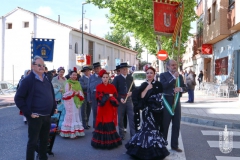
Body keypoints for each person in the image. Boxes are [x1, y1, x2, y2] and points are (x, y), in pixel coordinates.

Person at [14, 56, 57, 160]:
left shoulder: (46, 78)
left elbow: (51, 93)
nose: (42, 67)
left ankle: (43, 158)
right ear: (33, 66)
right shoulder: (28, 80)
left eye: (43, 65)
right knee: (32, 143)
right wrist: (28, 113)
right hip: (35, 117)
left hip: (47, 116)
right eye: (39, 65)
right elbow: (18, 98)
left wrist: (54, 107)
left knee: (44, 141)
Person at [126, 66, 170, 160]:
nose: (149, 75)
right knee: (146, 129)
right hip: (147, 111)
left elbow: (161, 97)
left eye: (151, 73)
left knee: (155, 129)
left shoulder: (158, 84)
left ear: (154, 74)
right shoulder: (143, 84)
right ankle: (143, 152)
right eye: (147, 73)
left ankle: (155, 151)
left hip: (156, 111)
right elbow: (141, 97)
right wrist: (147, 89)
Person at [160, 60, 187, 152]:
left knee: (176, 125)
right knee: (165, 125)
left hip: (176, 103)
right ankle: (163, 145)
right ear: (168, 66)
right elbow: (164, 86)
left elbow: (185, 88)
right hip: (167, 102)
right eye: (172, 65)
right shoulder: (163, 75)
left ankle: (174, 145)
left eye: (175, 65)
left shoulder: (180, 76)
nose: (174, 66)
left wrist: (181, 89)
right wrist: (173, 78)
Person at [91, 69, 122, 149]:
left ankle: (111, 141)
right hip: (102, 108)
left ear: (109, 78)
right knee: (102, 121)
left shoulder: (112, 87)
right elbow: (98, 98)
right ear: (101, 78)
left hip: (109, 108)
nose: (105, 79)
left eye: (106, 77)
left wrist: (108, 96)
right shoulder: (98, 87)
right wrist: (108, 96)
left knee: (109, 121)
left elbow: (115, 96)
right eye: (104, 77)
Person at [112, 62, 136, 140]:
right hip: (121, 100)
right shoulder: (117, 78)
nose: (125, 70)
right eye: (123, 69)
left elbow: (134, 88)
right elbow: (114, 91)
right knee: (121, 118)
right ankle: (121, 134)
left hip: (129, 100)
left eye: (126, 68)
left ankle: (133, 135)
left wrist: (132, 93)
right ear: (120, 70)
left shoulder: (130, 77)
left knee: (131, 117)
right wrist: (119, 98)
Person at [60, 68, 85, 138]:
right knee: (70, 115)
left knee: (76, 115)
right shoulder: (67, 82)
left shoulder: (78, 83)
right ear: (70, 75)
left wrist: (78, 92)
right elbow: (65, 93)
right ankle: (69, 132)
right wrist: (74, 92)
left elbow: (81, 91)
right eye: (73, 75)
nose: (74, 76)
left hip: (76, 100)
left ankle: (76, 131)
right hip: (69, 101)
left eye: (75, 75)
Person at [87, 62, 102, 128]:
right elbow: (88, 89)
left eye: (98, 68)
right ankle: (95, 128)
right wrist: (89, 98)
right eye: (95, 69)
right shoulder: (91, 77)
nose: (97, 70)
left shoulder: (102, 76)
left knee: (101, 112)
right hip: (93, 96)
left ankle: (101, 127)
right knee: (95, 112)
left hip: (101, 96)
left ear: (100, 69)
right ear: (93, 70)